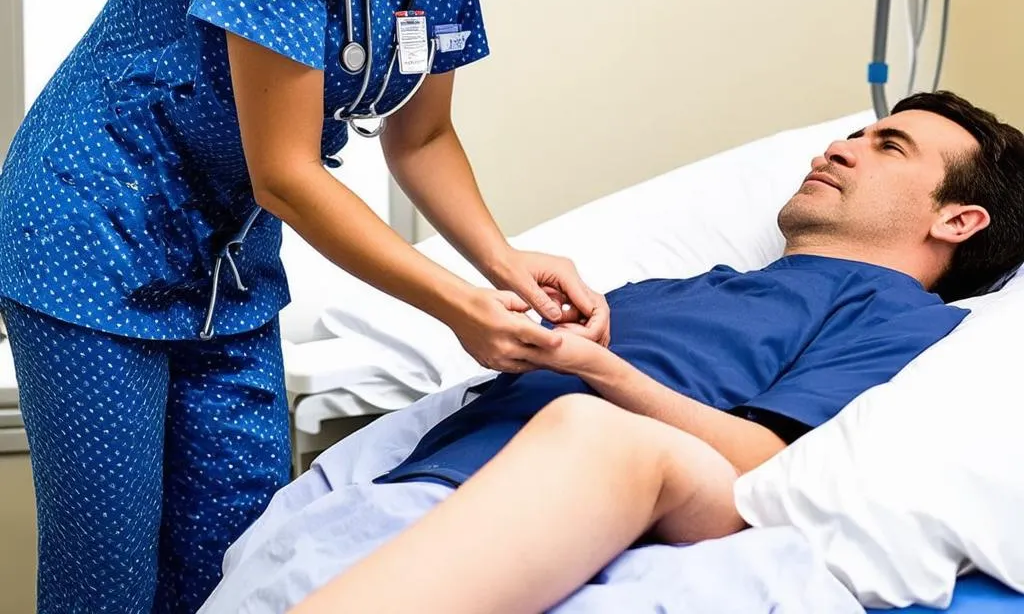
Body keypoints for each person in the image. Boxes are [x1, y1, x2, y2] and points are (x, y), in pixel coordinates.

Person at [0, 0, 613, 614]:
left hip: (224, 267)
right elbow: (285, 173)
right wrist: (459, 308)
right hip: (91, 237)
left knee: (241, 561)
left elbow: (425, 134)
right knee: (110, 583)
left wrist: (503, 265)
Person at [198, 92, 1024, 614]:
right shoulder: (689, 281)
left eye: (888, 147)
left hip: (594, 516)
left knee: (591, 434)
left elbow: (763, 465)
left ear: (958, 220)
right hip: (412, 499)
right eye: (852, 134)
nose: (835, 149)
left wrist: (592, 369)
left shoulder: (895, 314)